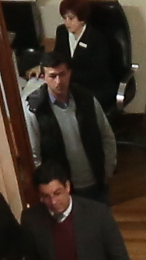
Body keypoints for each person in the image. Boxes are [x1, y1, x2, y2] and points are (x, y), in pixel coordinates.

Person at [22, 55, 116, 202]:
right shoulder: (34, 109)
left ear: (70, 73)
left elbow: (107, 136)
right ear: (43, 77)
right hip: (62, 189)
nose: (58, 81)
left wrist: (107, 170)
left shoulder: (87, 98)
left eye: (62, 74)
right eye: (52, 76)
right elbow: (34, 155)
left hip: (95, 182)